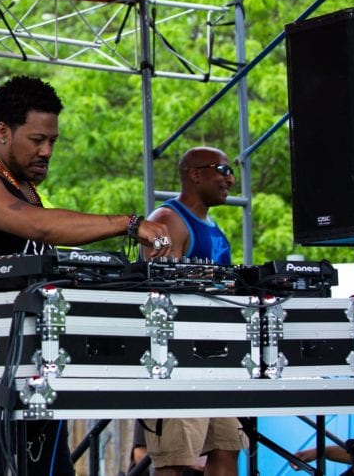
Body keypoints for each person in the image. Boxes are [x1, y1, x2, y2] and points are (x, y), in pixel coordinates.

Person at [0, 75, 173, 476]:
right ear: (2, 132)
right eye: (37, 140)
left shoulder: (27, 190)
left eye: (53, 141)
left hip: (34, 361)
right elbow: (40, 227)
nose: (47, 150)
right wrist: (129, 223)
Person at [139, 147, 247, 476]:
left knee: (228, 447)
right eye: (223, 169)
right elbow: (156, 293)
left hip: (214, 357)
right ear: (195, 174)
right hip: (179, 360)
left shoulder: (211, 223)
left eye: (231, 170)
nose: (230, 177)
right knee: (177, 461)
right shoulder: (168, 220)